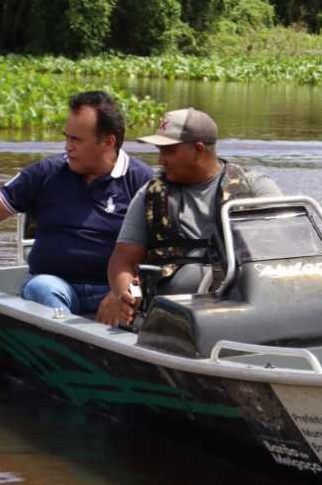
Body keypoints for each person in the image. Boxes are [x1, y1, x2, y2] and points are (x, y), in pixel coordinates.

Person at [0, 91, 154, 316]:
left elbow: (161, 253)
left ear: (108, 142)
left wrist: (120, 293)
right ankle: (65, 341)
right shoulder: (47, 172)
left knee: (137, 300)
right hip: (54, 285)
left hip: (112, 289)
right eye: (66, 137)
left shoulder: (141, 181)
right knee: (41, 288)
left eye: (76, 139)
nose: (67, 147)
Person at [95, 107, 281, 327]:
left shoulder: (254, 188)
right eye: (159, 150)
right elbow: (123, 261)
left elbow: (282, 249)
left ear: (198, 150)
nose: (161, 160)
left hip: (241, 307)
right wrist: (126, 295)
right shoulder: (150, 195)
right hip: (169, 317)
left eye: (169, 151)